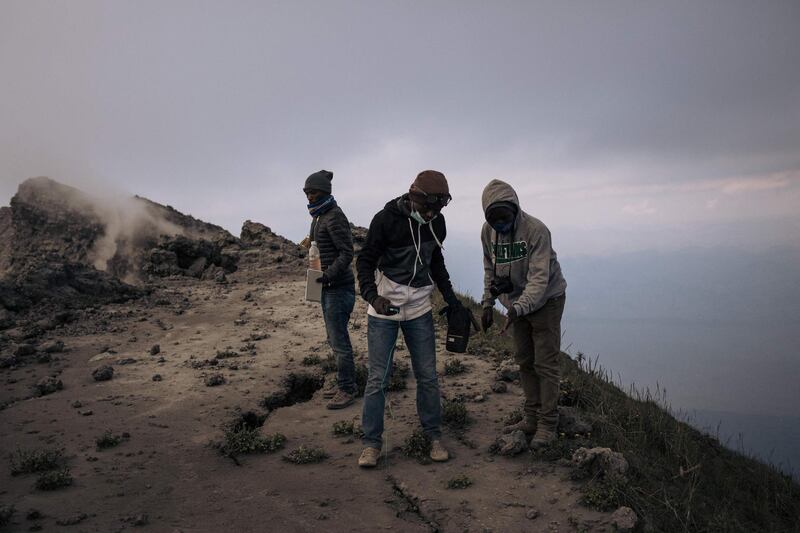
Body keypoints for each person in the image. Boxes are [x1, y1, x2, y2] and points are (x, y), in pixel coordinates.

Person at [355, 170, 466, 467]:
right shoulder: (385, 220)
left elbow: (436, 262)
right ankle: (371, 444)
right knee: (377, 379)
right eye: (429, 208)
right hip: (383, 309)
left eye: (438, 210)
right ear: (415, 198)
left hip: (419, 309)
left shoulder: (437, 223)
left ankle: (433, 436)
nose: (432, 215)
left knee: (428, 375)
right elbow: (364, 261)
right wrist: (372, 297)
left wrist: (452, 300)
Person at [480, 179, 567, 448]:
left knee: (545, 363)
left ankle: (548, 424)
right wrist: (487, 302)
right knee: (524, 361)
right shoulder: (487, 232)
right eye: (495, 221)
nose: (501, 225)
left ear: (515, 209)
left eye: (505, 218)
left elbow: (539, 279)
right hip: (515, 305)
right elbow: (489, 268)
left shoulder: (536, 230)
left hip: (546, 301)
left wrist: (519, 308)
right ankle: (530, 417)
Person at [303, 170, 357, 410]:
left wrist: (327, 276)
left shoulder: (334, 216)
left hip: (338, 288)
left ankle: (347, 389)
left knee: (339, 341)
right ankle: (342, 383)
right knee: (334, 339)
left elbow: (347, 253)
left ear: (324, 192)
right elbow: (321, 244)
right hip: (326, 287)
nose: (309, 196)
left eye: (312, 192)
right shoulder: (319, 216)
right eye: (306, 192)